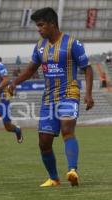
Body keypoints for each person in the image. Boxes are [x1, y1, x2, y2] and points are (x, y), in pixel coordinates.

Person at [8, 7, 94, 187]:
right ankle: (54, 178)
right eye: (37, 26)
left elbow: (87, 68)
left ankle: (72, 170)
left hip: (69, 93)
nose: (38, 29)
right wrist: (15, 82)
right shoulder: (40, 46)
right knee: (44, 142)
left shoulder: (72, 44)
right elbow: (31, 69)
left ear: (52, 24)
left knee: (67, 128)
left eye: (41, 25)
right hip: (48, 98)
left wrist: (88, 94)